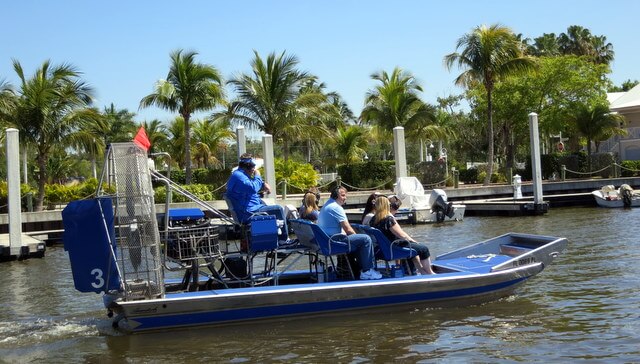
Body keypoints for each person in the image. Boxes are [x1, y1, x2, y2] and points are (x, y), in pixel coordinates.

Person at [317, 186, 382, 280]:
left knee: (359, 240)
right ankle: (367, 271)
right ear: (336, 195)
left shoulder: (327, 205)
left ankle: (360, 268)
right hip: (333, 242)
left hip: (327, 240)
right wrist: (358, 238)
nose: (345, 198)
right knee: (366, 239)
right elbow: (348, 229)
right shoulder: (336, 208)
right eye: (343, 195)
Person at [369, 195, 435, 275]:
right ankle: (429, 272)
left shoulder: (373, 220)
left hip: (382, 250)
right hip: (393, 248)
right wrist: (413, 241)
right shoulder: (388, 219)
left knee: (413, 247)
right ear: (387, 206)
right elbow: (402, 235)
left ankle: (419, 271)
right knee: (423, 249)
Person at [225, 153, 287, 238]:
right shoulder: (239, 176)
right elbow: (253, 188)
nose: (254, 170)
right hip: (249, 213)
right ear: (248, 166)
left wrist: (262, 183)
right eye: (253, 167)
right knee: (278, 209)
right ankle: (284, 239)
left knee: (270, 207)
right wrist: (258, 175)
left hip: (251, 209)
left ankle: (273, 238)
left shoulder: (240, 175)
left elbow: (249, 186)